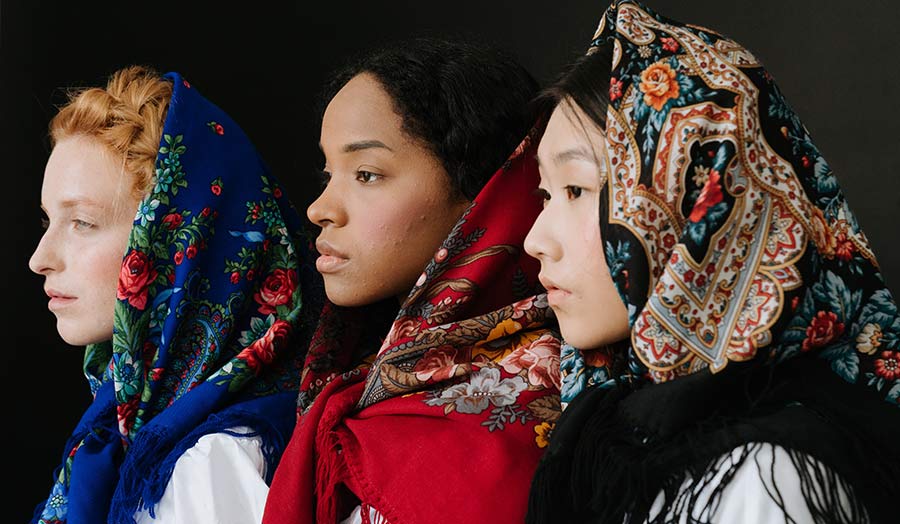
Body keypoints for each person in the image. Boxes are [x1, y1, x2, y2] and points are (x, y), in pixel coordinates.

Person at [523, 2, 900, 522]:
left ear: (700, 209)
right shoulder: (607, 427)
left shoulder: (765, 477)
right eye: (545, 195)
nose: (535, 240)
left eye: (576, 189)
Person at [263, 38, 560, 523]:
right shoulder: (363, 385)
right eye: (327, 173)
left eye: (366, 174)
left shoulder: (525, 412)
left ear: (482, 194)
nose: (320, 209)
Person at [29, 65, 320, 524]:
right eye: (48, 221)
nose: (40, 258)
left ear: (177, 250)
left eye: (82, 223)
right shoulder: (125, 432)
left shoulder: (213, 464)